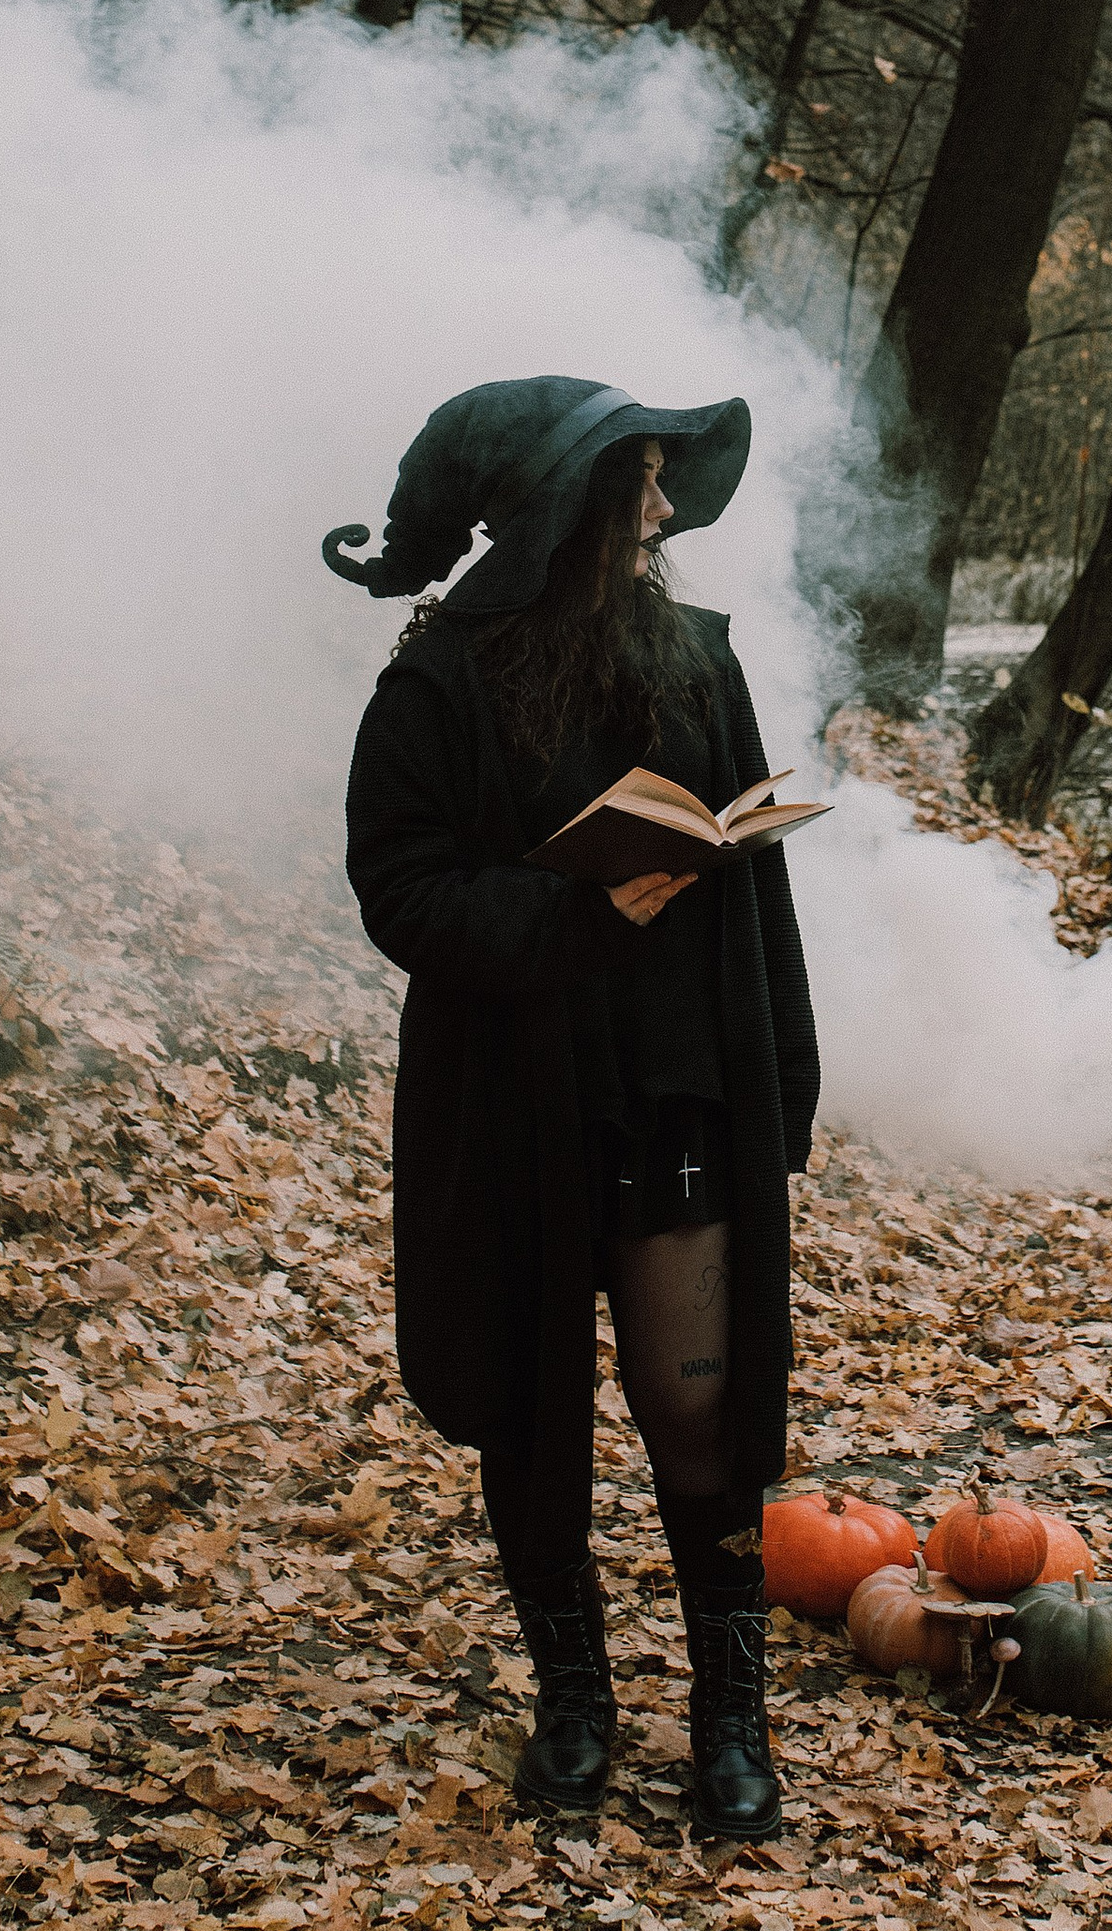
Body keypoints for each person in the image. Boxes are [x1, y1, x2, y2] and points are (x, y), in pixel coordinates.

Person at [329, 376, 819, 1842]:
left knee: (696, 1401)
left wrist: (779, 1068)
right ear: (571, 505)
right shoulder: (435, 682)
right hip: (514, 1097)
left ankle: (731, 1715)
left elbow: (753, 877)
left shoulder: (694, 658)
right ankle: (576, 1702)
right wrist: (574, 905)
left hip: (676, 1078)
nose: (666, 511)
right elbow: (396, 883)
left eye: (667, 479)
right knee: (531, 1414)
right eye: (643, 483)